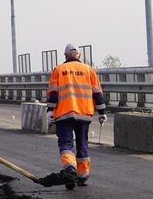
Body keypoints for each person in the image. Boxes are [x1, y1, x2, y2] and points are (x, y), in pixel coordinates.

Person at [41, 43, 107, 189]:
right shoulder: (88, 70)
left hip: (63, 113)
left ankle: (70, 169)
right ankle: (82, 177)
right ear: (79, 56)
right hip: (84, 113)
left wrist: (50, 111)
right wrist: (102, 112)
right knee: (82, 143)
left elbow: (53, 93)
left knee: (66, 144)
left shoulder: (59, 69)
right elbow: (97, 93)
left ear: (65, 56)